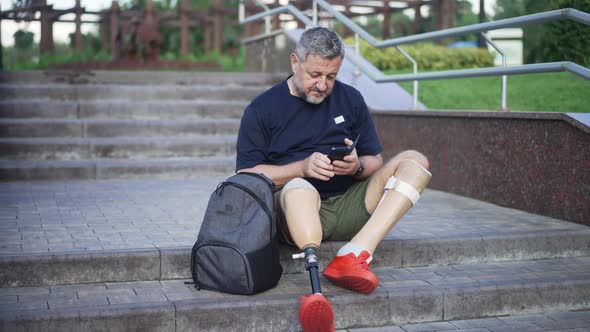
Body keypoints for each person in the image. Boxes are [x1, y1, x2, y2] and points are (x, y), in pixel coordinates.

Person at [236, 27, 431, 332]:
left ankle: (353, 255)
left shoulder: (351, 99)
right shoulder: (262, 108)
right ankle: (315, 289)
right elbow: (245, 175)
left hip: (349, 204)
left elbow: (374, 161)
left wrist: (355, 167)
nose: (323, 85)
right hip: (295, 211)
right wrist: (301, 168)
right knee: (300, 188)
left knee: (415, 162)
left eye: (331, 76)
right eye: (315, 74)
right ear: (294, 62)